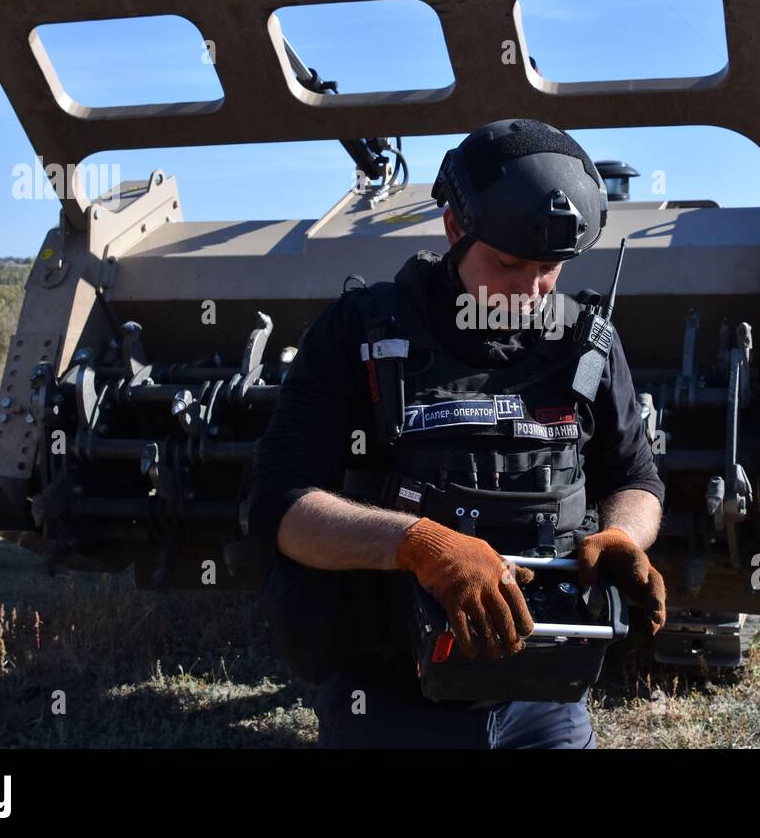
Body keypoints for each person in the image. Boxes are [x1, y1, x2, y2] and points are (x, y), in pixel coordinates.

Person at [248, 118, 666, 749]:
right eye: (508, 262)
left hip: (545, 701)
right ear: (454, 227)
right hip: (390, 703)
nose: (532, 289)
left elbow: (635, 477)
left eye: (552, 267)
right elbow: (280, 507)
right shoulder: (359, 335)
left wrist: (622, 534)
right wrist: (420, 545)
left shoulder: (588, 344)